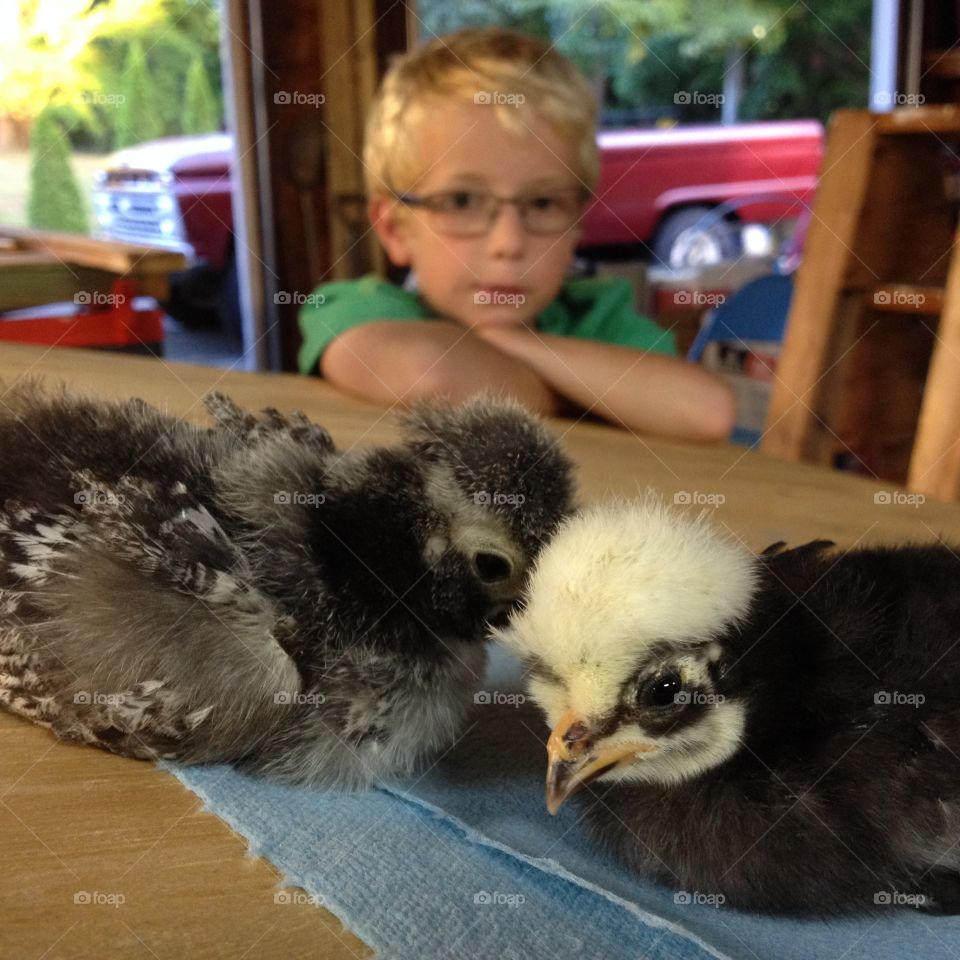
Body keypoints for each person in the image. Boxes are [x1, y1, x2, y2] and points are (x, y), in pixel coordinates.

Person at [297, 27, 735, 442]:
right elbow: (432, 375)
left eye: (543, 204)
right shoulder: (359, 307)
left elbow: (708, 412)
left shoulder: (598, 313)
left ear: (576, 223)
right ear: (394, 229)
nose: (508, 243)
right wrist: (590, 395)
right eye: (463, 201)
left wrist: (510, 342)